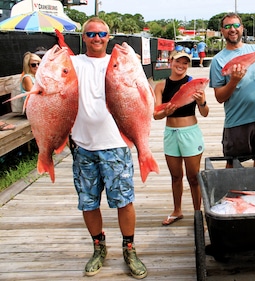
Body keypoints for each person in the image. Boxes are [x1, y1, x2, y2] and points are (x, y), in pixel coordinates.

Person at [69, 17, 147, 279]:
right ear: (84, 38)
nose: (97, 38)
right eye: (91, 34)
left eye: (102, 33)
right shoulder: (74, 63)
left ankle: (129, 248)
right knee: (88, 203)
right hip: (82, 145)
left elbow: (140, 88)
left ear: (109, 36)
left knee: (124, 201)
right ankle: (98, 246)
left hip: (116, 143)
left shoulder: (121, 61)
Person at [209, 12, 255, 167]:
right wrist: (234, 81)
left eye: (236, 25)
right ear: (222, 31)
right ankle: (234, 191)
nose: (233, 29)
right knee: (233, 165)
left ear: (242, 28)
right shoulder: (218, 61)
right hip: (236, 121)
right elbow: (219, 97)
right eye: (228, 26)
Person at [153, 50, 209, 226]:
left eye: (185, 63)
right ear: (170, 62)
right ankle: (177, 210)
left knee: (194, 177)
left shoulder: (194, 84)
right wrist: (165, 112)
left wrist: (201, 102)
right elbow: (156, 115)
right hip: (170, 134)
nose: (181, 65)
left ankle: (197, 214)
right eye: (178, 61)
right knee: (175, 176)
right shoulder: (161, 86)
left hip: (190, 133)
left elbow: (205, 113)